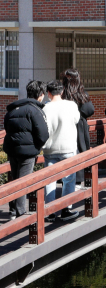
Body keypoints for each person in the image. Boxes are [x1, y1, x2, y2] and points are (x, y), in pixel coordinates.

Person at [3, 81, 49, 220]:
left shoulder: (13, 109)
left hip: (12, 149)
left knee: (15, 179)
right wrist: (36, 147)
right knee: (24, 182)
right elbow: (43, 134)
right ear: (40, 95)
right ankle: (20, 213)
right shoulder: (34, 110)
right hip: (27, 152)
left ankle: (12, 210)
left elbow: (7, 128)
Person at [42, 81, 80, 221]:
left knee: (50, 180)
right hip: (68, 147)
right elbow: (76, 119)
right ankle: (66, 209)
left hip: (50, 148)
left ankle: (50, 212)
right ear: (62, 91)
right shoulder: (71, 105)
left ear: (49, 93)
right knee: (69, 179)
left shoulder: (45, 108)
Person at [61, 68, 94, 187]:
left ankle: (65, 180)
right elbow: (90, 110)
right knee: (80, 149)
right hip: (79, 127)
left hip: (63, 126)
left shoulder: (61, 94)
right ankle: (78, 181)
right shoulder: (81, 94)